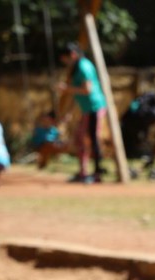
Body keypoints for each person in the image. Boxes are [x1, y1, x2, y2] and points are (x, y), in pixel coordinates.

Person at [56, 42, 107, 184]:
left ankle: (97, 173)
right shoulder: (76, 67)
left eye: (65, 58)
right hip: (87, 109)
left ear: (72, 55)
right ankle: (83, 172)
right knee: (80, 139)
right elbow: (77, 93)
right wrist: (70, 112)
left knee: (92, 140)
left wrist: (66, 89)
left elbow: (87, 90)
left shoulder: (84, 67)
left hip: (95, 107)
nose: (64, 62)